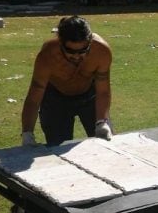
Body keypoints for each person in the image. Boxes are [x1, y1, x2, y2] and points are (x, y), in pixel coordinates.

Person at [21, 16, 113, 146]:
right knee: (56, 148)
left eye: (82, 51)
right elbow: (34, 96)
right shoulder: (47, 55)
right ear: (60, 42)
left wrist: (101, 122)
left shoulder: (101, 51)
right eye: (70, 51)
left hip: (89, 96)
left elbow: (103, 91)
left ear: (90, 42)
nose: (76, 56)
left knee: (106, 144)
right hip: (56, 100)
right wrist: (27, 134)